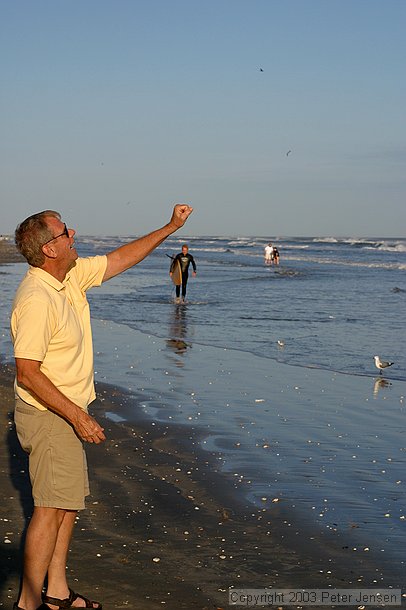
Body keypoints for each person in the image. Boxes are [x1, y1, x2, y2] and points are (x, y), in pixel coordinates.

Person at [10, 204, 193, 610]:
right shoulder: (38, 298)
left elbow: (120, 258)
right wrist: (78, 416)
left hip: (64, 412)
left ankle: (56, 591)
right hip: (50, 414)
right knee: (49, 509)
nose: (73, 233)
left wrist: (170, 227)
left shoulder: (69, 276)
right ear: (49, 249)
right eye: (64, 233)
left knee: (67, 503)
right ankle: (28, 603)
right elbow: (27, 373)